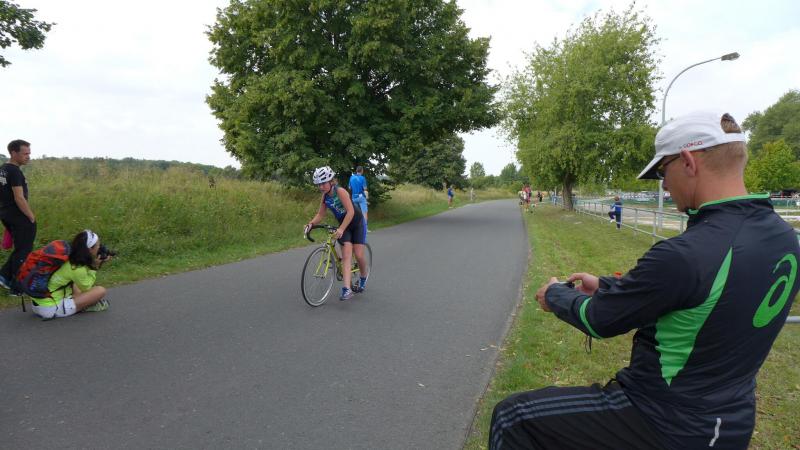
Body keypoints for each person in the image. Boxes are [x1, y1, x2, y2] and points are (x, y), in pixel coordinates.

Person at [489, 111, 800, 450]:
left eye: (662, 172)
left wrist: (554, 295)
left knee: (512, 417)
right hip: (731, 421)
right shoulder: (785, 239)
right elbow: (708, 297)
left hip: (664, 420)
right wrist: (608, 286)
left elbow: (600, 319)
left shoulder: (687, 253)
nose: (663, 185)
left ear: (688, 162)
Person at [305, 166, 368, 301]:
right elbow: (320, 214)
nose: (321, 187)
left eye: (323, 183)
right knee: (346, 256)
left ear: (331, 181)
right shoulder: (325, 197)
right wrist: (311, 224)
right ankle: (347, 289)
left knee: (358, 255)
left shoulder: (340, 191)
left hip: (356, 223)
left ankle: (363, 277)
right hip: (344, 226)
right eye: (319, 184)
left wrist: (341, 229)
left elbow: (350, 212)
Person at [30, 230, 111, 320]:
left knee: (76, 282)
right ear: (90, 249)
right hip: (51, 309)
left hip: (39, 304)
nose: (100, 247)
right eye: (98, 245)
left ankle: (77, 303)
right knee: (100, 290)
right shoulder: (76, 268)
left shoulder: (67, 255)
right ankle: (83, 306)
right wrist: (95, 267)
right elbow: (87, 287)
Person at [0, 139, 36, 295]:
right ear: (13, 153)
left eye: (29, 153)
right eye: (25, 153)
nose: (28, 156)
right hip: (18, 216)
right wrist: (31, 216)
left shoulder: (3, 169)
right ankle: (16, 288)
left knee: (20, 249)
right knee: (24, 251)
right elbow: (19, 198)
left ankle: (4, 276)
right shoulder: (14, 171)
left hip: (6, 214)